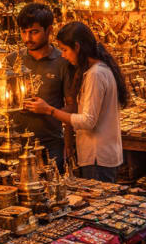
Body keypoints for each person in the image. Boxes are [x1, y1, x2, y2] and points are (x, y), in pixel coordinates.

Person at [29, 22, 128, 182]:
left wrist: (49, 110)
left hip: (98, 158)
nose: (63, 55)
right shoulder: (99, 70)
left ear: (77, 47)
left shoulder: (96, 74)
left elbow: (88, 121)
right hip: (101, 155)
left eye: (65, 50)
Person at [16, 3, 74, 172]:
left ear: (49, 31)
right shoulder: (14, 60)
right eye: (23, 32)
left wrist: (68, 145)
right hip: (17, 143)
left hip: (51, 143)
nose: (27, 38)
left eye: (34, 32)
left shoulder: (63, 61)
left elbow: (71, 106)